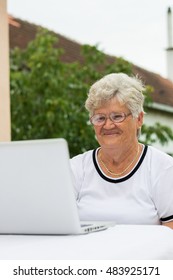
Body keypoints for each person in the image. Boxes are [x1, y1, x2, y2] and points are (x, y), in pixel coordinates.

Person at [70, 73, 173, 229]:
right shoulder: (75, 169)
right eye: (100, 118)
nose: (108, 125)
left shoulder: (163, 169)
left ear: (139, 119)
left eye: (117, 116)